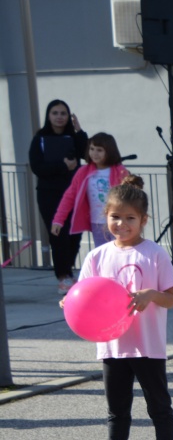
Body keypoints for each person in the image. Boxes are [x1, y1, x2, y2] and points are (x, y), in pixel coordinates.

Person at [73, 176, 173, 440]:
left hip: (147, 345)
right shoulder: (97, 256)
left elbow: (171, 298)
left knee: (159, 407)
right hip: (112, 346)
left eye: (130, 218)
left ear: (143, 220)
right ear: (106, 218)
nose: (122, 224)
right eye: (115, 217)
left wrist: (151, 295)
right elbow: (83, 296)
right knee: (117, 410)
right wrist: (71, 302)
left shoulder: (155, 254)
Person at [29, 100, 90, 294]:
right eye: (55, 113)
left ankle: (69, 272)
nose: (59, 117)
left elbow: (88, 155)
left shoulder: (73, 136)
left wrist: (80, 132)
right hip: (49, 194)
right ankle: (62, 276)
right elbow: (37, 167)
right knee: (58, 235)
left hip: (74, 192)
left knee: (75, 233)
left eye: (63, 113)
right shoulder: (40, 139)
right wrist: (63, 166)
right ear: (49, 115)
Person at [51, 133, 129, 248]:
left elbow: (131, 197)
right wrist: (58, 220)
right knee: (102, 255)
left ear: (109, 151)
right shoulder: (83, 172)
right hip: (97, 222)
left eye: (99, 150)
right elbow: (69, 197)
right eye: (92, 149)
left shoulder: (120, 172)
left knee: (122, 252)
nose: (94, 153)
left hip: (119, 221)